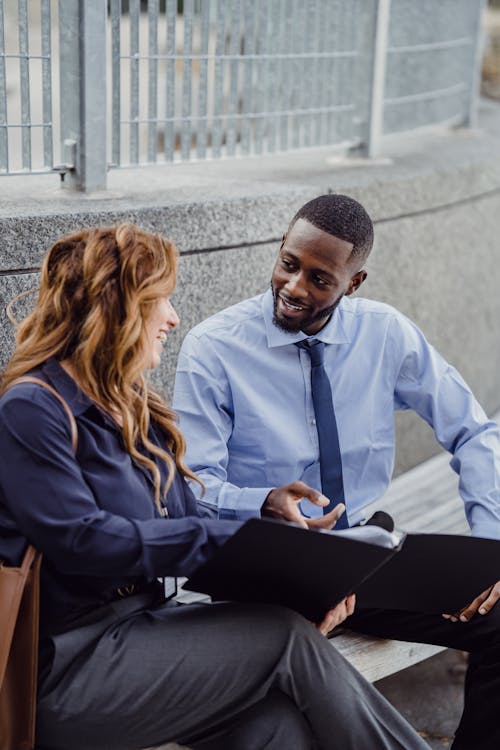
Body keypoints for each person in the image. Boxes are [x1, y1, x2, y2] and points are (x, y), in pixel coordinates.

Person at [0, 224, 431, 750]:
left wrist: (295, 566)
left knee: (277, 730)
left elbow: (191, 520)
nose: (173, 317)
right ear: (118, 307)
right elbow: (81, 539)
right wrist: (235, 543)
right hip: (68, 666)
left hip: (150, 632)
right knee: (284, 639)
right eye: (160, 300)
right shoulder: (31, 408)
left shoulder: (139, 409)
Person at [173, 194, 500, 750]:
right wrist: (264, 501)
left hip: (365, 559)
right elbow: (194, 486)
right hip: (272, 569)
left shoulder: (385, 334)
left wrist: (489, 553)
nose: (295, 286)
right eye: (289, 264)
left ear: (354, 282)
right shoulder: (214, 349)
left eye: (320, 278)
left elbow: (473, 430)